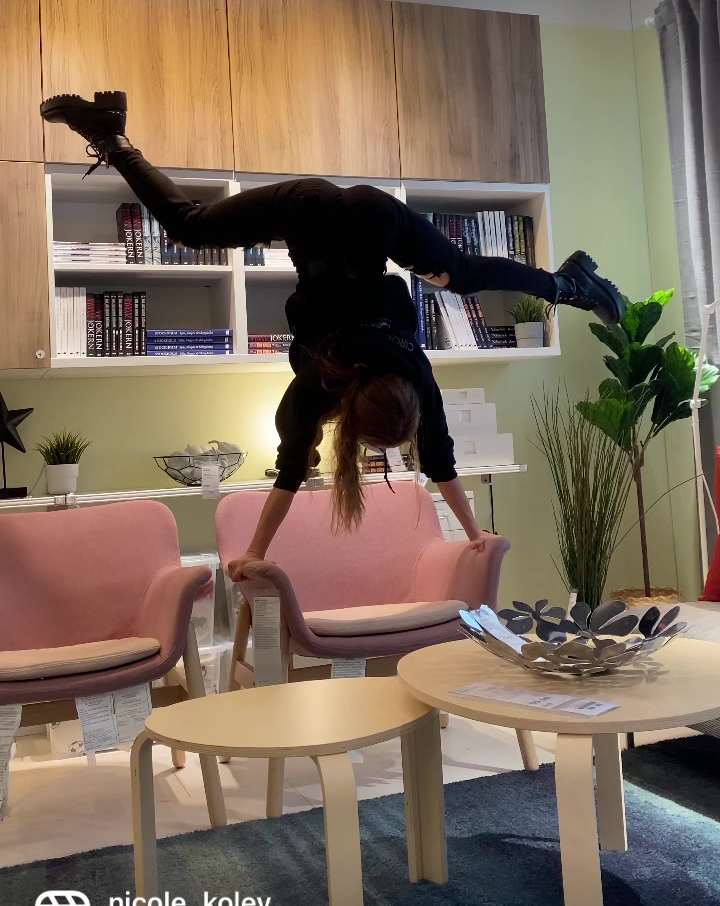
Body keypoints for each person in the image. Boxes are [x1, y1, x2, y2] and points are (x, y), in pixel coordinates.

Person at [40, 91, 623, 579]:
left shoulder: (413, 372)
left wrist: (476, 533)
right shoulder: (316, 387)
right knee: (189, 227)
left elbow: (440, 461)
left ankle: (567, 285)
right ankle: (112, 137)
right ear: (348, 419)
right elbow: (290, 475)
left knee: (458, 274)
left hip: (376, 217)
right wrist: (253, 553)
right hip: (306, 211)